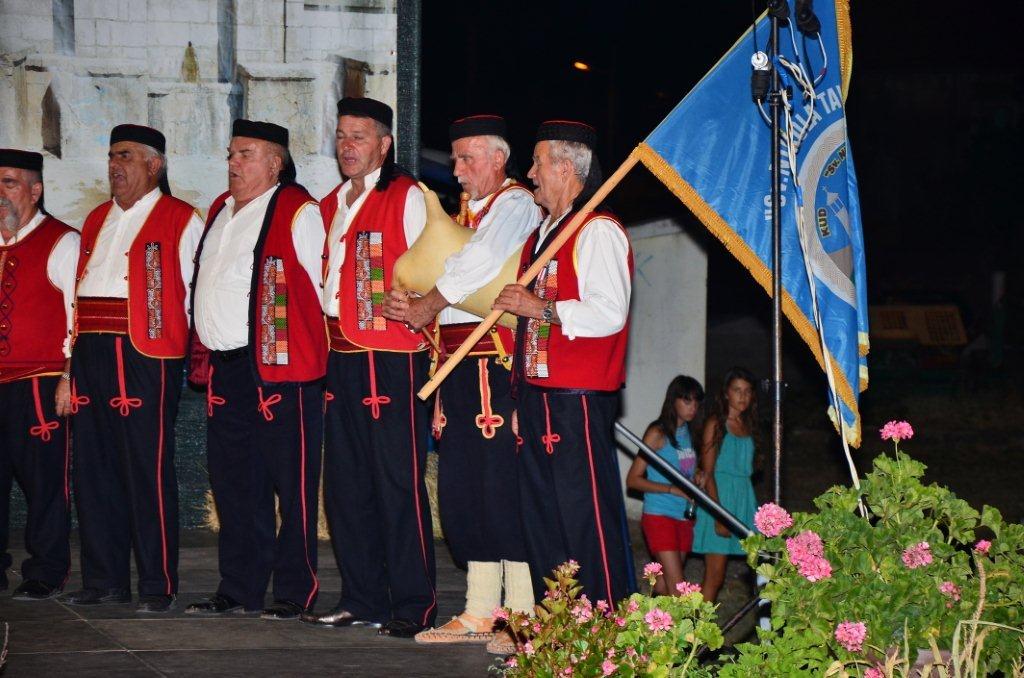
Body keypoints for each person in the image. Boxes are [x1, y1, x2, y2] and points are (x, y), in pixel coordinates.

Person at [382, 114, 541, 645]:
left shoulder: (516, 204)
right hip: (453, 369)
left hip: (493, 368)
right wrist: (412, 306)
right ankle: (478, 610)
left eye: (466, 157)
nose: (457, 167)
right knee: (462, 491)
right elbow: (453, 293)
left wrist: (430, 301)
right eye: (454, 158)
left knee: (501, 487)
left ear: (498, 159)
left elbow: (482, 262)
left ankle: (520, 615)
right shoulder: (464, 213)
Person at [302, 97, 437, 639]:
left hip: (392, 355)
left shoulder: (406, 195)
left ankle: (413, 604)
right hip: (342, 355)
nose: (347, 146)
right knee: (347, 486)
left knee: (396, 483)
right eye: (340, 135)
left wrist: (423, 305)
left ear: (384, 144)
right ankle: (361, 598)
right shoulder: (333, 201)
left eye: (359, 136)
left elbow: (441, 263)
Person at [185, 120, 326, 621]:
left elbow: (321, 290)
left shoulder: (298, 210)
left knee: (290, 484)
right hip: (224, 371)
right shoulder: (221, 210)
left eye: (245, 154)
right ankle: (239, 587)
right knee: (234, 484)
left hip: (279, 371)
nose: (232, 164)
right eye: (230, 154)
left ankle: (294, 591)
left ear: (275, 163)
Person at [493, 120, 635, 605]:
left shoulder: (597, 229)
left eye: (537, 162)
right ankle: (558, 629)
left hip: (577, 402)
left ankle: (608, 628)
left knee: (584, 519)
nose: (529, 173)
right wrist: (519, 395)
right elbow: (526, 334)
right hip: (537, 399)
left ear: (567, 167)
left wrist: (540, 308)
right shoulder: (541, 237)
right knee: (543, 521)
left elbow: (609, 313)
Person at [62, 125, 203, 613]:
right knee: (94, 471)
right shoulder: (96, 217)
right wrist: (68, 364)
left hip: (146, 355)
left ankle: (157, 584)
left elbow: (192, 296)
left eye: (124, 156)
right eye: (110, 157)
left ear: (154, 164)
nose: (113, 166)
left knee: (145, 470)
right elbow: (75, 298)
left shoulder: (181, 219)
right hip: (91, 351)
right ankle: (104, 579)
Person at [0, 149, 78, 600]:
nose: (2, 194)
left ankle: (46, 570)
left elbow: (77, 317)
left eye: (10, 183)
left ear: (35, 189)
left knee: (44, 484)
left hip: (38, 381)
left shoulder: (62, 241)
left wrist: (69, 376)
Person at [626, 375, 704, 596]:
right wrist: (671, 489)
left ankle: (644, 623)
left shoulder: (690, 433)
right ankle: (687, 630)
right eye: (687, 401)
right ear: (674, 401)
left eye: (696, 402)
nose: (693, 408)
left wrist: (698, 475)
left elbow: (686, 469)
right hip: (660, 514)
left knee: (664, 585)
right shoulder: (657, 433)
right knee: (679, 588)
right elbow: (633, 479)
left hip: (684, 515)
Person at [691, 367, 759, 603]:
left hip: (744, 500)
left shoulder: (748, 425)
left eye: (747, 391)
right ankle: (695, 633)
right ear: (727, 394)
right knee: (715, 575)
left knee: (759, 568)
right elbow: (708, 473)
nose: (742, 396)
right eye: (737, 390)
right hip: (719, 501)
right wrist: (719, 515)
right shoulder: (716, 425)